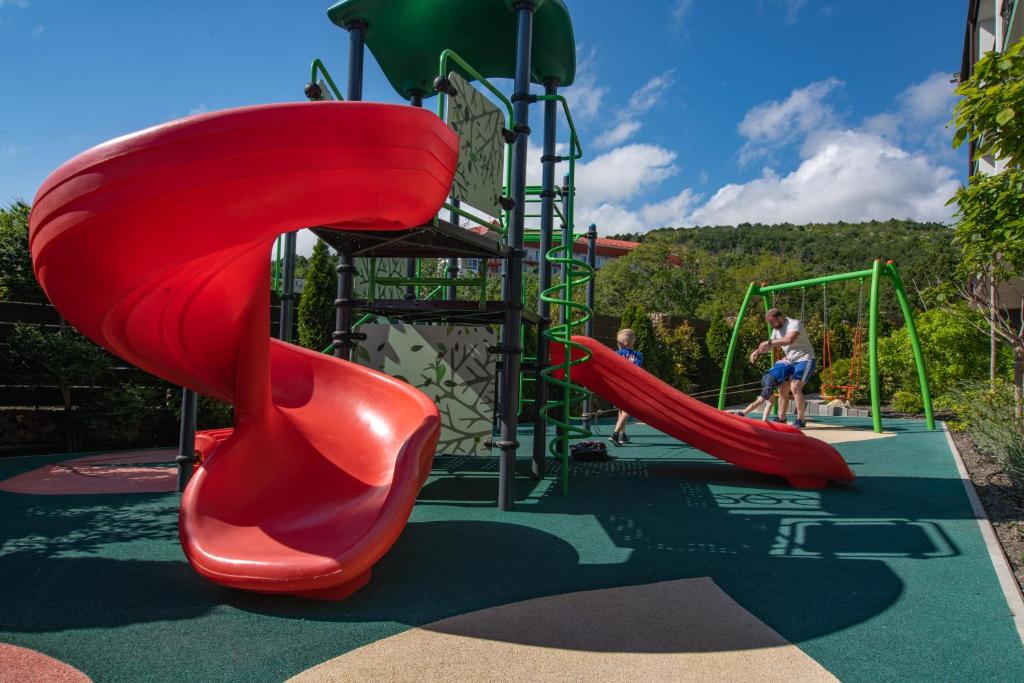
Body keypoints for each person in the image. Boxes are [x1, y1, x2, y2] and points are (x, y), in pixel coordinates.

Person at [752, 307, 816, 428]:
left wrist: (769, 342)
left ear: (780, 318)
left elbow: (789, 340)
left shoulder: (794, 324)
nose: (771, 325)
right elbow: (770, 346)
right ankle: (781, 418)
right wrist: (757, 352)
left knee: (795, 387)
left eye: (772, 322)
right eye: (769, 323)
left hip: (805, 359)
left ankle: (800, 420)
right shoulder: (776, 330)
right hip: (791, 361)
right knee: (783, 388)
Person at [609, 328, 643, 446]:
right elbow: (637, 370)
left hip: (618, 385)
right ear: (630, 342)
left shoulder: (616, 354)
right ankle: (615, 434)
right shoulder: (638, 355)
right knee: (628, 410)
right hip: (630, 385)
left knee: (622, 410)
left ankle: (622, 435)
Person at [734, 357, 793, 421]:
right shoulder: (791, 366)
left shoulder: (778, 362)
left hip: (765, 377)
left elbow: (778, 373)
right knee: (761, 400)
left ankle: (764, 419)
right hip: (771, 380)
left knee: (771, 401)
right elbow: (789, 379)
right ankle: (743, 413)